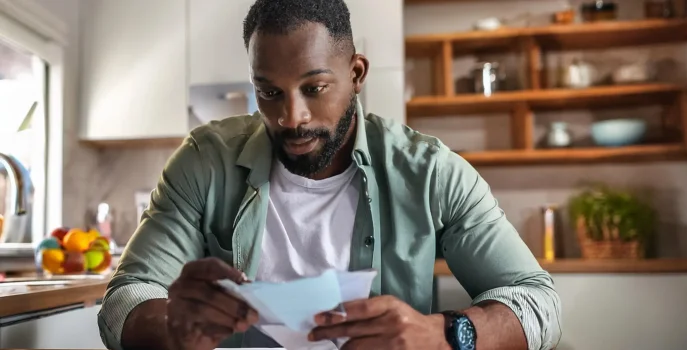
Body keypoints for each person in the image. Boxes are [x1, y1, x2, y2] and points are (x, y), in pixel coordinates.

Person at [97, 0, 562, 349]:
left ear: (356, 72)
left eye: (314, 88)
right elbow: (124, 298)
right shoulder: (204, 159)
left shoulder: (432, 172)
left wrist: (443, 334)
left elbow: (540, 302)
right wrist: (169, 326)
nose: (291, 117)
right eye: (269, 92)